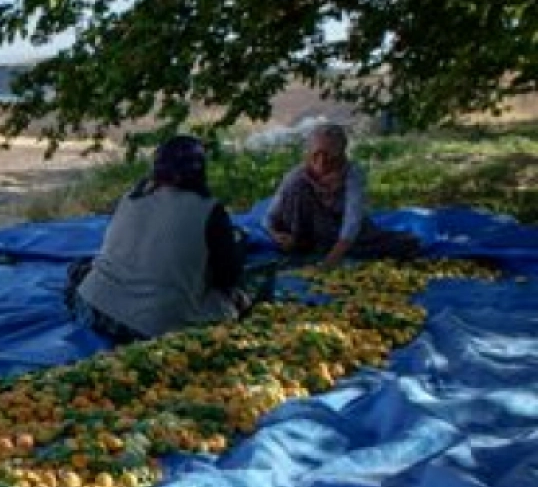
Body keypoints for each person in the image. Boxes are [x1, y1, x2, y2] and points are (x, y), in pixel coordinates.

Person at [68, 134, 246, 344]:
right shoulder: (209, 210)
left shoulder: (132, 196)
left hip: (91, 305)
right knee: (233, 300)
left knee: (82, 267)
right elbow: (227, 277)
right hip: (152, 327)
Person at [265, 122, 422, 264]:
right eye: (316, 154)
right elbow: (270, 217)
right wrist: (276, 235)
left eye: (328, 155)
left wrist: (333, 258)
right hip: (305, 236)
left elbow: (352, 221)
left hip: (338, 235)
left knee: (402, 245)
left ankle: (327, 250)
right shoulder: (296, 176)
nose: (321, 162)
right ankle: (304, 249)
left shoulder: (352, 175)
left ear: (341, 153)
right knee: (296, 188)